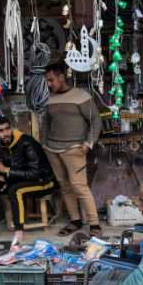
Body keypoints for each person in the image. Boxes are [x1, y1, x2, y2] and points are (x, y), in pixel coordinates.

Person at [0, 116, 54, 246]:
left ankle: (19, 232)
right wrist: (0, 176)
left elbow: (35, 173)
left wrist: (6, 171)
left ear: (11, 127)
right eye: (0, 131)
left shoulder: (26, 142)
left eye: (7, 129)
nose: (5, 133)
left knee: (16, 190)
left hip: (43, 181)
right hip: (18, 179)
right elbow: (0, 165)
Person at [42, 62, 103, 237]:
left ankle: (94, 225)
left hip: (74, 148)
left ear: (62, 77)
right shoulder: (50, 98)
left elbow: (95, 121)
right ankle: (75, 221)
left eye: (51, 80)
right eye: (47, 81)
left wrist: (88, 143)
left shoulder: (81, 96)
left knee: (79, 187)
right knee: (65, 186)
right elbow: (45, 123)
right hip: (53, 149)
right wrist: (44, 144)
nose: (49, 84)